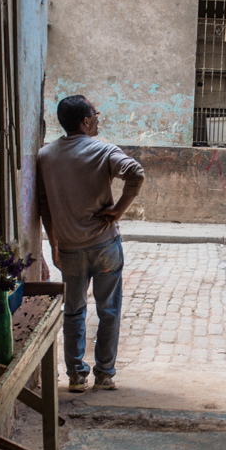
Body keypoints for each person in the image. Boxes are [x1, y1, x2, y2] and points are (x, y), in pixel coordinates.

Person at [37, 95, 146, 392]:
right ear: (86, 121)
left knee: (74, 311)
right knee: (108, 310)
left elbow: (44, 206)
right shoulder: (103, 151)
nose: (98, 119)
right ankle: (105, 374)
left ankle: (75, 375)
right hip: (105, 245)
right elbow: (136, 173)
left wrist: (54, 242)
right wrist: (119, 209)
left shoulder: (45, 156)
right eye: (95, 114)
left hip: (70, 249)